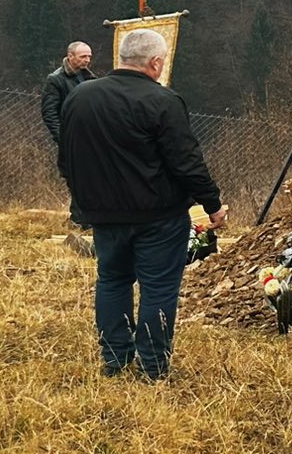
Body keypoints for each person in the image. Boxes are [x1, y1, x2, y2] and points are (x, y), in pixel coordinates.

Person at [57, 27, 226, 379]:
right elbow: (186, 162)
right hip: (158, 215)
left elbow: (66, 156)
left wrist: (83, 198)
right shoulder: (163, 101)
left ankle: (115, 360)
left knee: (112, 280)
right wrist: (213, 204)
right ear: (156, 63)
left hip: (103, 213)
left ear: (121, 58)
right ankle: (153, 365)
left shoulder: (80, 98)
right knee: (158, 287)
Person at [40, 40, 96, 145]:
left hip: (89, 135)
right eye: (83, 56)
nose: (87, 60)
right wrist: (63, 139)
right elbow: (49, 113)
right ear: (70, 56)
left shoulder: (90, 78)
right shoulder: (56, 79)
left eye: (89, 56)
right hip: (70, 135)